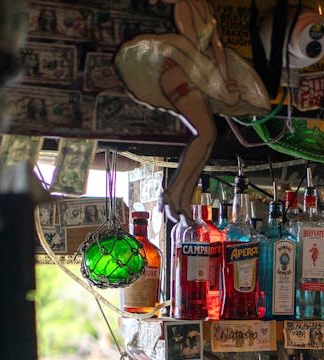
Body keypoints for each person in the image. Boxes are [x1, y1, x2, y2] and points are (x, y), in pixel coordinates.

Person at [114, 0, 274, 221]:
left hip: (193, 71)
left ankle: (180, 197)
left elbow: (217, 47)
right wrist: (216, 83)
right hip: (179, 71)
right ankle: (175, 194)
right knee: (206, 134)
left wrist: (226, 82)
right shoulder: (184, 6)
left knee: (208, 135)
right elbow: (189, 51)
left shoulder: (206, 7)